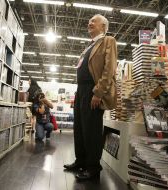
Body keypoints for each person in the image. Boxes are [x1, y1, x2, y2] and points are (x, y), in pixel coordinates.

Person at [63, 14, 117, 181]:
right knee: (79, 129)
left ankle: (93, 167)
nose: (90, 23)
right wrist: (78, 93)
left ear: (104, 26)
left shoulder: (108, 41)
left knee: (92, 130)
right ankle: (81, 161)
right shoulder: (90, 45)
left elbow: (109, 68)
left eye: (94, 21)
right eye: (89, 21)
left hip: (93, 90)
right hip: (82, 91)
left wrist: (98, 92)